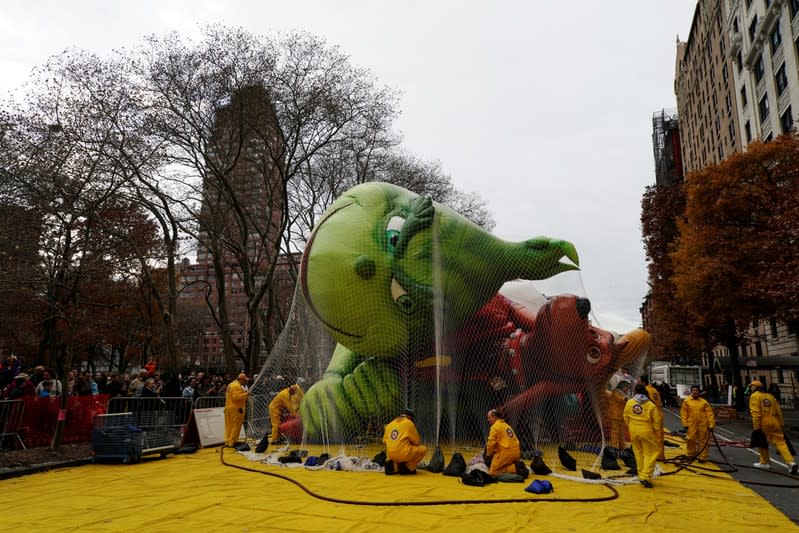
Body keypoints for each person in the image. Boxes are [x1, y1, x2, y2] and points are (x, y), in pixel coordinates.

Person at [749, 380, 797, 474]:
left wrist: (756, 427)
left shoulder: (755, 396)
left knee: (762, 442)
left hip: (763, 422)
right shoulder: (770, 396)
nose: (750, 388)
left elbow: (756, 413)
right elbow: (779, 412)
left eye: (751, 386)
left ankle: (765, 462)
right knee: (781, 443)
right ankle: (790, 462)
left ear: (755, 387)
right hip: (775, 422)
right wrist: (781, 424)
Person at [624, 383, 663, 488]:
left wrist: (631, 425)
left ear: (635, 391)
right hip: (647, 431)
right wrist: (656, 431)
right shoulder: (650, 405)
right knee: (650, 453)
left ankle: (641, 474)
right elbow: (657, 420)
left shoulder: (630, 402)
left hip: (633, 430)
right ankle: (645, 476)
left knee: (638, 453)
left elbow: (625, 416)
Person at [382, 409, 427, 475]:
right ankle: (407, 467)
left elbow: (384, 441)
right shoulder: (409, 423)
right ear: (410, 417)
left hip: (391, 454)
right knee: (423, 449)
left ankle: (395, 467)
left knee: (397, 453)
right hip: (403, 453)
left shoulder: (389, 424)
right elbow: (417, 442)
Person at [680, 385, 715, 462]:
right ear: (691, 391)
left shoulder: (704, 402)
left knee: (704, 440)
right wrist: (685, 424)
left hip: (703, 424)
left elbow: (710, 414)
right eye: (693, 390)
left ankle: (703, 457)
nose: (695, 392)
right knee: (690, 439)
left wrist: (711, 424)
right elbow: (683, 413)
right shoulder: (687, 401)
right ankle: (691, 454)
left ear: (699, 392)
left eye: (696, 390)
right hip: (691, 424)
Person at [484, 408, 521, 477]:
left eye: (489, 418)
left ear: (494, 417)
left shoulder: (495, 427)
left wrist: (488, 455)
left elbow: (491, 444)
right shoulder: (507, 426)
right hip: (516, 454)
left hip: (505, 454)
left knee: (492, 472)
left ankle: (514, 468)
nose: (488, 420)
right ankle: (516, 465)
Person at [639, 375, 665, 461]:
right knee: (658, 437)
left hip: (652, 416)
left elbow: (647, 403)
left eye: (639, 381)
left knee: (650, 436)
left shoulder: (646, 390)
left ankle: (652, 455)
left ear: (643, 382)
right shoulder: (654, 389)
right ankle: (660, 456)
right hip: (658, 414)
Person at [223, 373, 250, 447]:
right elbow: (236, 397)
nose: (245, 382)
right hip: (236, 409)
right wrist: (246, 394)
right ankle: (232, 442)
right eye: (244, 380)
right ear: (241, 379)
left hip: (229, 407)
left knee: (228, 426)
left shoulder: (231, 385)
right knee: (236, 426)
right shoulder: (237, 386)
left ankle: (227, 441)